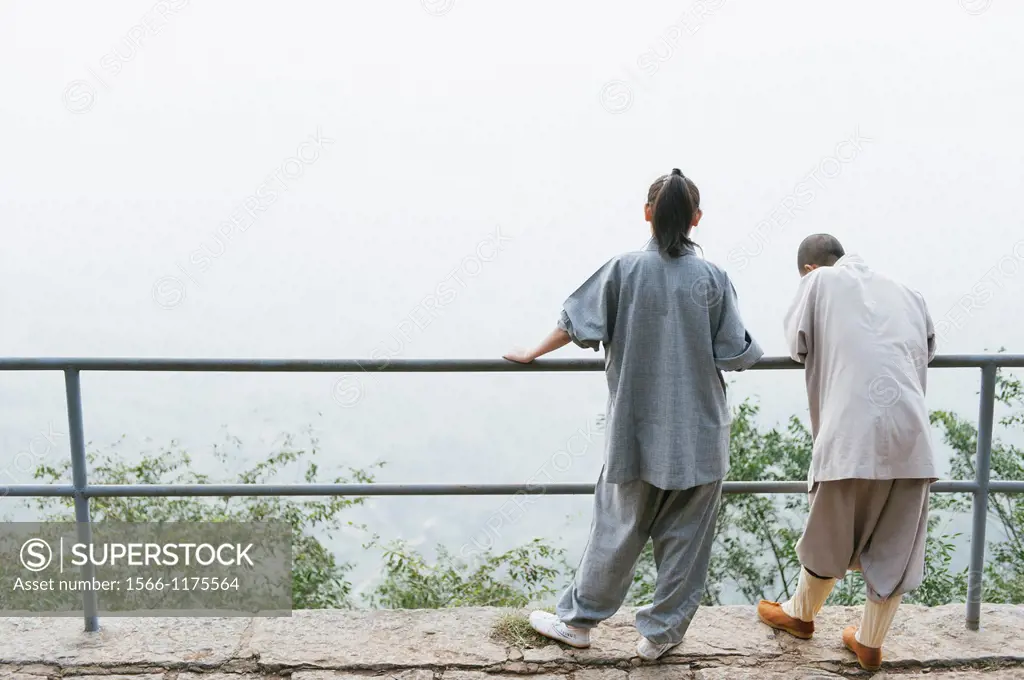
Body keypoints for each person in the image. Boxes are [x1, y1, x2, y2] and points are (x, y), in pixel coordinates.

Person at [503, 169, 763, 660]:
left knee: (616, 528)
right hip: (700, 436)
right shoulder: (713, 278)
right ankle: (660, 635)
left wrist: (533, 352)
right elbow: (734, 351)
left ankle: (579, 623)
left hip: (634, 433)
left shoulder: (622, 270)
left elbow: (572, 323)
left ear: (647, 213)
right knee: (686, 542)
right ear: (696, 219)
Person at [757, 234, 937, 671]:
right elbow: (928, 351)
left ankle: (800, 615)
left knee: (828, 532)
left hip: (851, 435)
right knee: (896, 541)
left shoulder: (819, 283)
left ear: (809, 270)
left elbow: (796, 344)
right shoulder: (909, 292)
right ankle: (870, 643)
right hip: (912, 436)